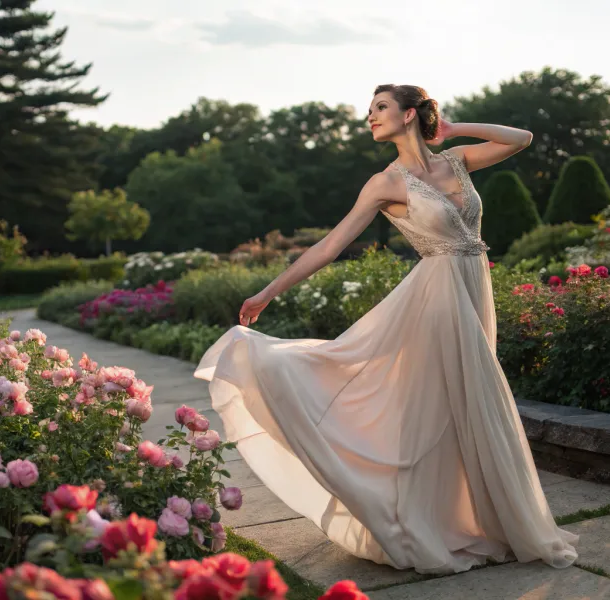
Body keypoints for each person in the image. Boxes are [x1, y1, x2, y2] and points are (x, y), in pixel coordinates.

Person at [193, 84, 579, 574]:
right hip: (435, 299)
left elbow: (520, 137)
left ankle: (477, 519)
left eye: (379, 108)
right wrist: (268, 291)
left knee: (469, 404)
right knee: (438, 405)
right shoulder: (384, 183)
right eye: (370, 109)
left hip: (473, 289)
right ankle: (421, 523)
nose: (369, 117)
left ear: (410, 114)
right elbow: (328, 247)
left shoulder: (457, 161)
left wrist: (453, 129)